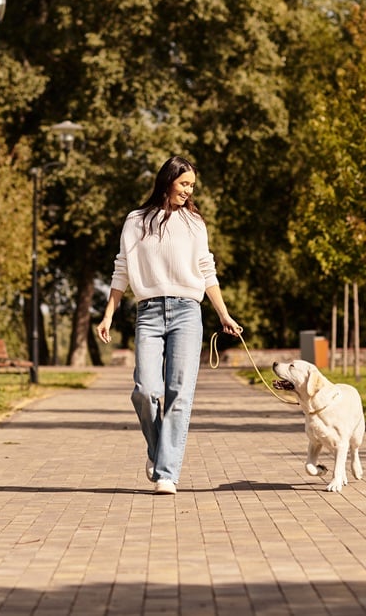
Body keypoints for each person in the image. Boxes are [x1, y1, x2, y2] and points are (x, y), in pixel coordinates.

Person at [96, 155, 241, 496]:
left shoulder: (194, 223)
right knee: (145, 390)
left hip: (187, 312)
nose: (188, 191)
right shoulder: (136, 221)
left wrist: (223, 314)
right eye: (184, 183)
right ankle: (158, 449)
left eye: (192, 186)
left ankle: (167, 473)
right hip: (148, 312)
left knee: (179, 393)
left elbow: (206, 270)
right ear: (168, 181)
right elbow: (122, 269)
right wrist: (108, 314)